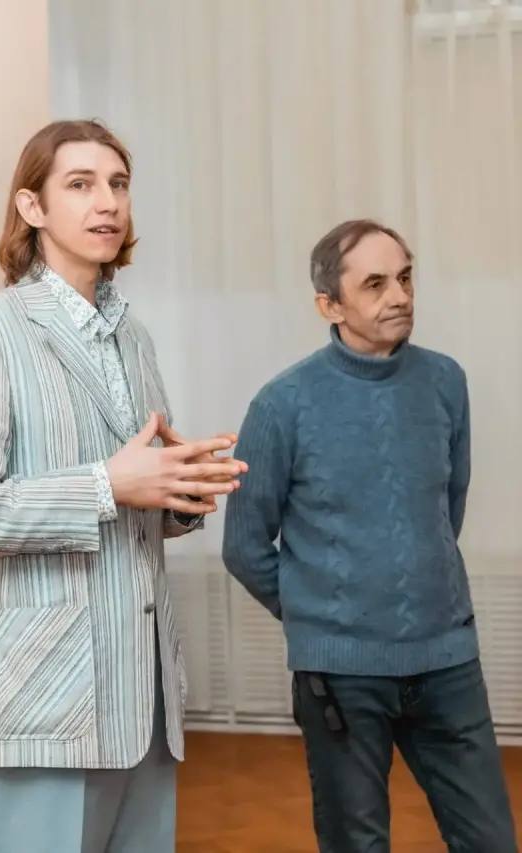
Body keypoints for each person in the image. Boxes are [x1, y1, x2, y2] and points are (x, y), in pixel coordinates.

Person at [0, 119, 245, 853]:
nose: (108, 202)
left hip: (145, 702)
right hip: (44, 704)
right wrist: (106, 485)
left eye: (118, 184)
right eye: (81, 184)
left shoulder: (134, 336)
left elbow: (136, 493)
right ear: (31, 207)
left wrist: (182, 492)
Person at [222, 219, 517, 851]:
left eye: (406, 278)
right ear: (329, 305)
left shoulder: (446, 381)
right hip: (340, 677)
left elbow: (444, 512)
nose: (400, 296)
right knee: (356, 843)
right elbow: (244, 546)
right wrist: (321, 613)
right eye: (376, 284)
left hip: (447, 661)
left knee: (491, 839)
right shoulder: (281, 405)